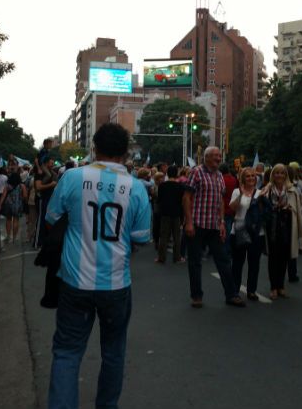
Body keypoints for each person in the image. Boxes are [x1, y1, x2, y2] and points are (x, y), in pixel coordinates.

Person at [45, 123, 151, 409]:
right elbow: (141, 237)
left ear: (94, 148)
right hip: (116, 284)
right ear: (126, 153)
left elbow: (52, 217)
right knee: (113, 352)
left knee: (67, 352)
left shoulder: (72, 177)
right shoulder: (137, 187)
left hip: (74, 282)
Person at [184, 146, 245, 308]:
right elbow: (187, 197)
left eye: (219, 156)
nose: (219, 159)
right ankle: (197, 296)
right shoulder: (196, 172)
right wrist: (188, 222)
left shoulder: (219, 176)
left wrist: (222, 222)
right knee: (195, 262)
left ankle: (231, 294)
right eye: (216, 156)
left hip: (214, 225)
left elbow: (220, 201)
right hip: (197, 224)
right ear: (207, 157)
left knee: (223, 260)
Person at [262, 164, 302, 299]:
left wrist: (287, 207)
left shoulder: (292, 190)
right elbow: (260, 203)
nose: (279, 176)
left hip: (287, 225)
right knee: (273, 257)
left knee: (284, 257)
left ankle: (281, 285)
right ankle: (273, 287)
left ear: (286, 175)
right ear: (272, 175)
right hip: (272, 226)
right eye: (276, 173)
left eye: (282, 173)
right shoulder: (268, 189)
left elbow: (299, 208)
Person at [229, 167, 265, 300]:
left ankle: (251, 290)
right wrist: (241, 194)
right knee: (237, 263)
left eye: (253, 176)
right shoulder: (236, 191)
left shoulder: (260, 193)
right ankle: (235, 291)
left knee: (254, 263)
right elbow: (232, 208)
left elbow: (264, 212)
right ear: (243, 179)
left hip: (256, 233)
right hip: (239, 231)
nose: (251, 178)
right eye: (248, 176)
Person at [157, 165, 185, 264]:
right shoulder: (180, 186)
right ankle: (177, 257)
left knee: (164, 236)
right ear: (177, 174)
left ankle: (161, 257)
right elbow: (182, 201)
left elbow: (159, 200)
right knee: (177, 236)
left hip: (165, 213)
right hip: (176, 213)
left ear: (167, 174)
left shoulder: (162, 186)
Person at [33, 156, 58, 249]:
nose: (52, 165)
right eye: (51, 163)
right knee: (41, 221)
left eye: (53, 163)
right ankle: (37, 243)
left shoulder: (53, 174)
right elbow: (38, 187)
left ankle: (44, 241)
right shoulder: (40, 173)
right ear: (46, 163)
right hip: (42, 199)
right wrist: (50, 185)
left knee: (48, 220)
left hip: (50, 199)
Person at [0, 172, 26, 245]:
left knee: (8, 220)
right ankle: (14, 238)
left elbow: (3, 196)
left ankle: (8, 236)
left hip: (8, 205)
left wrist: (0, 204)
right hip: (18, 205)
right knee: (16, 220)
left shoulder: (7, 186)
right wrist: (20, 200)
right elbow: (25, 196)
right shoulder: (22, 186)